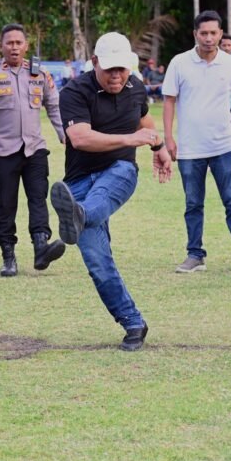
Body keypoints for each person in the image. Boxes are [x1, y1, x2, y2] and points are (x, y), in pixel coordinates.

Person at [50, 31, 173, 351]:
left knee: (109, 183)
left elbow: (145, 122)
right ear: (94, 63)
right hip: (78, 181)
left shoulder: (135, 87)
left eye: (122, 68)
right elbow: (80, 138)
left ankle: (78, 217)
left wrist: (158, 146)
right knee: (98, 263)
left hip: (119, 172)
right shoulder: (74, 91)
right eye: (110, 69)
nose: (117, 75)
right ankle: (134, 323)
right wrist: (130, 140)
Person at [0, 23, 66, 277]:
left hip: (34, 149)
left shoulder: (40, 73)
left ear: (26, 45)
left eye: (18, 42)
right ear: (1, 46)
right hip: (3, 153)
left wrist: (65, 134)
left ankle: (41, 248)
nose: (14, 47)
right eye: (9, 43)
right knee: (5, 205)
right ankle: (8, 256)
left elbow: (54, 106)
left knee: (38, 198)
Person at [162, 10, 231, 274]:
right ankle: (195, 254)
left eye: (214, 33)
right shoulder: (180, 63)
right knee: (193, 203)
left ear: (221, 34)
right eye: (203, 33)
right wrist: (169, 137)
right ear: (195, 34)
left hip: (224, 145)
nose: (209, 38)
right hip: (190, 148)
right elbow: (169, 100)